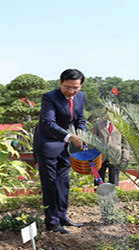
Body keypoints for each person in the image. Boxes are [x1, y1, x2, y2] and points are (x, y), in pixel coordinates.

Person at [33, 69, 87, 234]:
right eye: (67, 87)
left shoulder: (81, 97)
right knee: (49, 184)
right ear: (60, 83)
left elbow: (80, 119)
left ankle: (62, 216)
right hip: (48, 144)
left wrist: (82, 135)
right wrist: (70, 137)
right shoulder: (49, 97)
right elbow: (48, 122)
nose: (71, 91)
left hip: (66, 147)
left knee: (63, 183)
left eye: (75, 88)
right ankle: (52, 221)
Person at [91, 108, 129, 186]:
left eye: (114, 112)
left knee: (114, 181)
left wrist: (125, 157)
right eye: (110, 112)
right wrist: (92, 155)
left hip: (116, 157)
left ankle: (114, 196)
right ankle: (98, 197)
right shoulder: (97, 125)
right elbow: (92, 141)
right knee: (98, 181)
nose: (112, 114)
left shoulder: (123, 126)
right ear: (106, 113)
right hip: (100, 157)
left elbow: (125, 144)